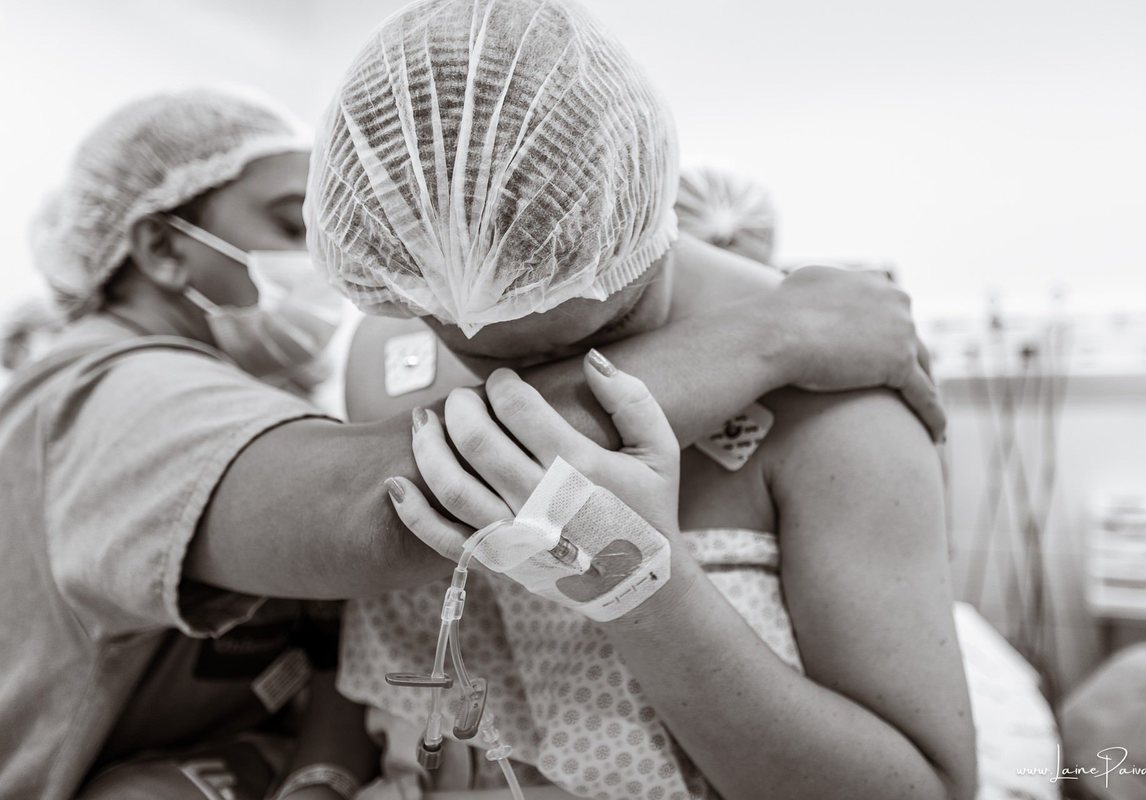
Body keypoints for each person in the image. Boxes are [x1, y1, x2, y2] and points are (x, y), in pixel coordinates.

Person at [0, 78, 938, 800]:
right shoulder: (107, 394)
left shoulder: (839, 426)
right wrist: (776, 332)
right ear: (163, 251)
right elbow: (387, 507)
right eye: (294, 227)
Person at [305, 1, 975, 798]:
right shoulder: (390, 353)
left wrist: (649, 597)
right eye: (469, 345)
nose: (533, 387)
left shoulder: (835, 399)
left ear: (639, 218)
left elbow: (924, 789)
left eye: (603, 335)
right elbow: (367, 637)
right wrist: (318, 775)